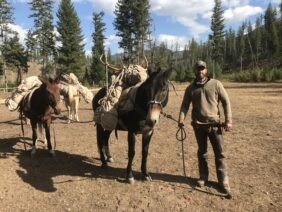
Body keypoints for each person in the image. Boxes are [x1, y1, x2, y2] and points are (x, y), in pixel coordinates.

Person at [178, 60, 233, 198]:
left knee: (220, 153)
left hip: (215, 126)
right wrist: (181, 119)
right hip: (198, 126)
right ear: (194, 71)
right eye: (198, 69)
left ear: (206, 70)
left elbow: (226, 102)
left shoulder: (216, 84)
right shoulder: (190, 88)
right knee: (202, 152)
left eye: (202, 69)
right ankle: (203, 177)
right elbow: (184, 105)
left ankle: (223, 181)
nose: (200, 71)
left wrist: (228, 120)